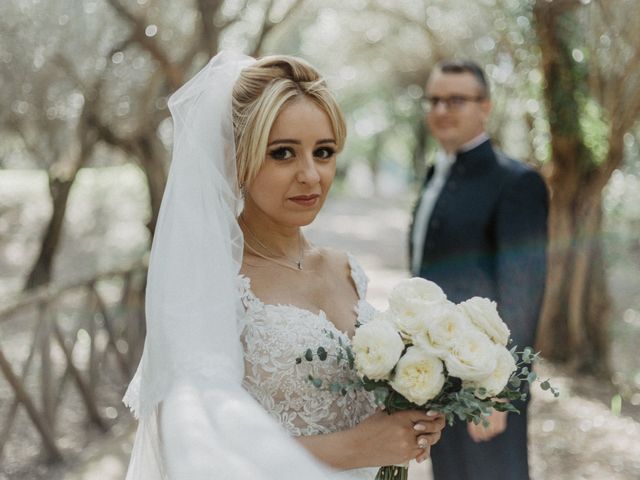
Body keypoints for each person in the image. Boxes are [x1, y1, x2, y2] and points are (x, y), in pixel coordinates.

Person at [123, 51, 445, 480]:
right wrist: (354, 448)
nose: (311, 175)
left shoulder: (346, 269)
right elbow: (191, 446)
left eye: (324, 151)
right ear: (236, 159)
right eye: (283, 153)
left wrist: (410, 418)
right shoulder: (210, 282)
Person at [409, 60, 548, 480]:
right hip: (437, 374)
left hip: (488, 384)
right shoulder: (436, 172)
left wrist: (498, 394)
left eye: (456, 99)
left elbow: (523, 296)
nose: (442, 110)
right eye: (434, 100)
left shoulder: (516, 182)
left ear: (484, 106)